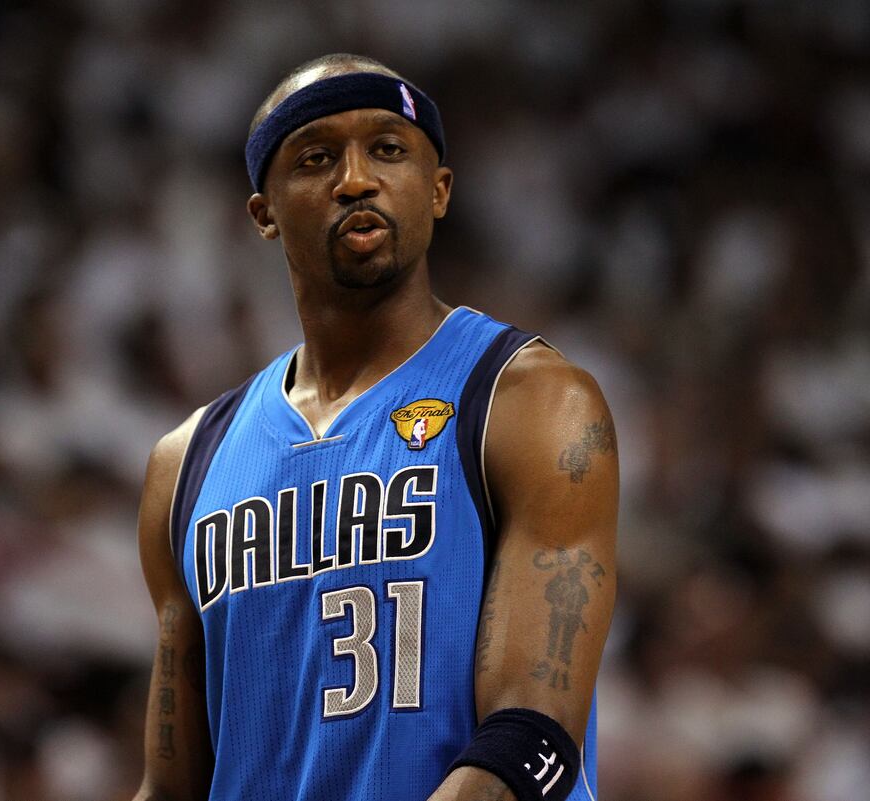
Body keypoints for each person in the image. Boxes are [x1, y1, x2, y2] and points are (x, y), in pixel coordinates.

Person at [133, 53, 617, 801]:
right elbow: (171, 789)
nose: (356, 179)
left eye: (388, 150)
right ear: (263, 214)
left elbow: (533, 735)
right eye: (316, 158)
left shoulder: (530, 400)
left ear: (438, 189)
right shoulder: (186, 464)